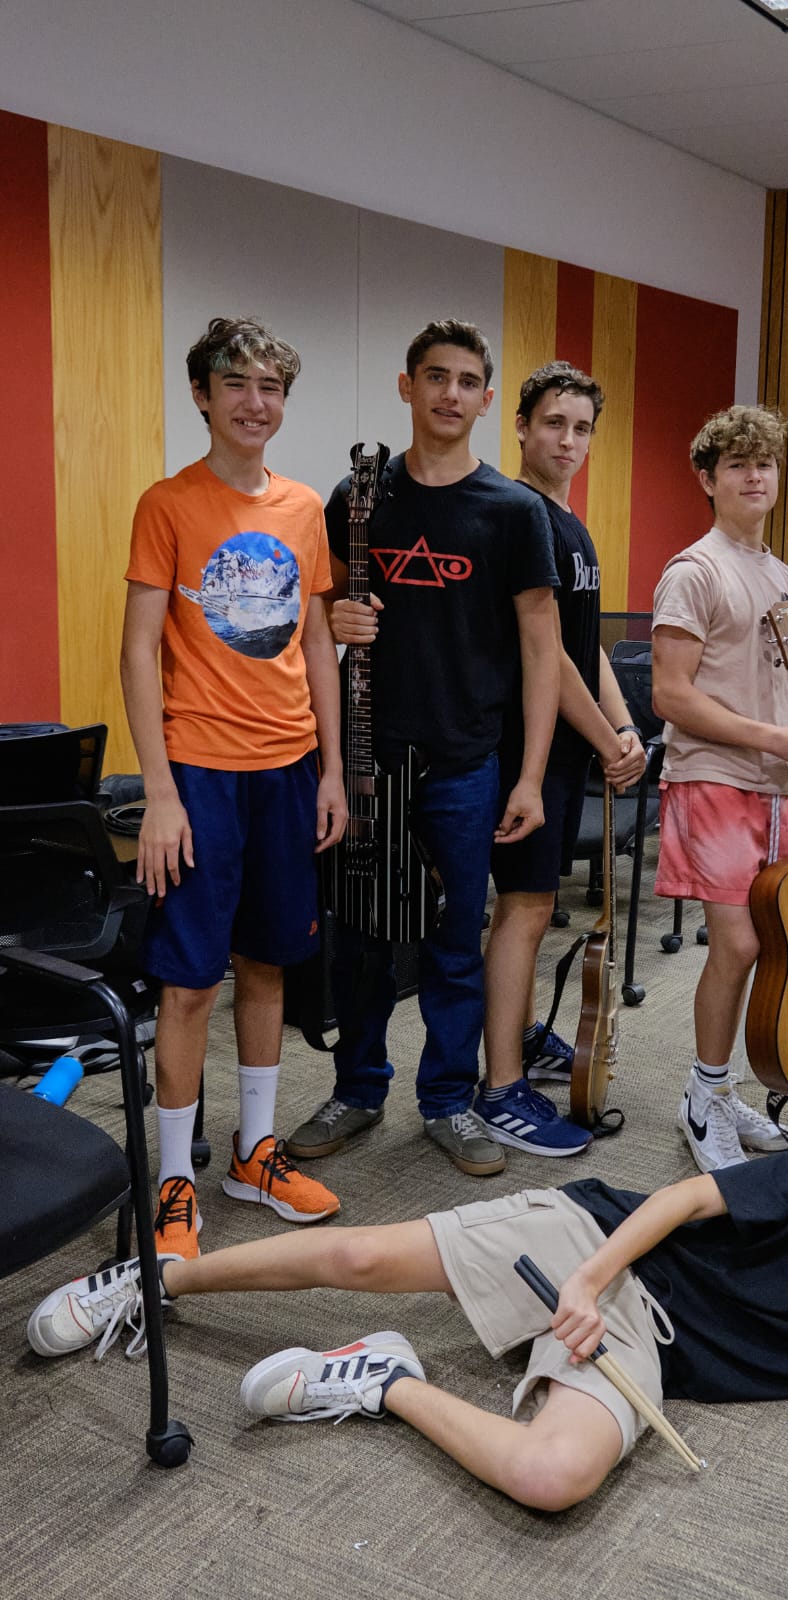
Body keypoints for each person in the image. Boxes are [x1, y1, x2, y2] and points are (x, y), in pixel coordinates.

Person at [28, 1112, 788, 1507]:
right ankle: (157, 1281)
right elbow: (680, 1200)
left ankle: (384, 1378)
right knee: (363, 1252)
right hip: (605, 1245)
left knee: (552, 1477)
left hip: (639, 1347)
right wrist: (585, 1279)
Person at [285, 319, 560, 1177]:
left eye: (467, 381)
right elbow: (315, 617)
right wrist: (334, 618)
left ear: (486, 398)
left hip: (465, 762)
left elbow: (542, 648)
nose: (450, 393)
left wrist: (531, 776)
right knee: (362, 939)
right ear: (407, 387)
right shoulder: (359, 497)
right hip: (369, 757)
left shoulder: (513, 511)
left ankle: (447, 1099)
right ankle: (357, 1090)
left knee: (452, 941)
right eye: (435, 376)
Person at [119, 316, 348, 1260]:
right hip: (200, 775)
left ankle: (255, 1152)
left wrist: (333, 771)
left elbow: (318, 644)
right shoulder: (168, 504)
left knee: (268, 965)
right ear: (203, 396)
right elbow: (138, 650)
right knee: (187, 983)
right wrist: (160, 793)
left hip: (289, 771)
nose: (256, 403)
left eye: (271, 387)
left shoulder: (303, 507)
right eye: (237, 384)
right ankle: (175, 1178)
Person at [651, 404, 788, 1174]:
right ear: (709, 479)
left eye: (764, 463)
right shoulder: (694, 571)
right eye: (737, 465)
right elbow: (671, 694)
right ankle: (703, 1099)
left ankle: (722, 1089)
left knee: (773, 943)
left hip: (781, 787)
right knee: (735, 942)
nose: (755, 476)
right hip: (713, 779)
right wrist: (775, 738)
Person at [474, 361, 647, 1156]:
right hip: (526, 751)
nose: (568, 440)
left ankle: (515, 1038)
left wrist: (624, 726)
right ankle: (500, 1087)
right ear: (520, 426)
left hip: (574, 750)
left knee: (538, 908)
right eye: (553, 423)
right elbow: (548, 661)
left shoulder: (570, 525)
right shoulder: (521, 517)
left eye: (581, 428)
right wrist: (608, 739)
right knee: (523, 908)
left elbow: (587, 648)